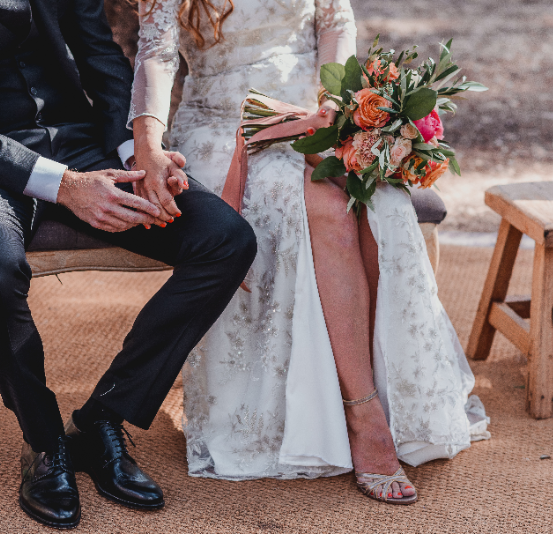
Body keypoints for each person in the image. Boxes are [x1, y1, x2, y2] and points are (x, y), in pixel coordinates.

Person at [0, 0, 257, 528]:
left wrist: (137, 153)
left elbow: (103, 61)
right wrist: (65, 187)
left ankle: (102, 419)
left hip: (78, 146)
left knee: (223, 239)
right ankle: (44, 442)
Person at [130, 0, 488, 505]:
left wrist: (338, 120)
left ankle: (384, 400)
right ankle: (363, 416)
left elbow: (336, 27)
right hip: (223, 128)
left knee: (379, 200)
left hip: (310, 115)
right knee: (324, 211)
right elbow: (157, 56)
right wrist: (148, 144)